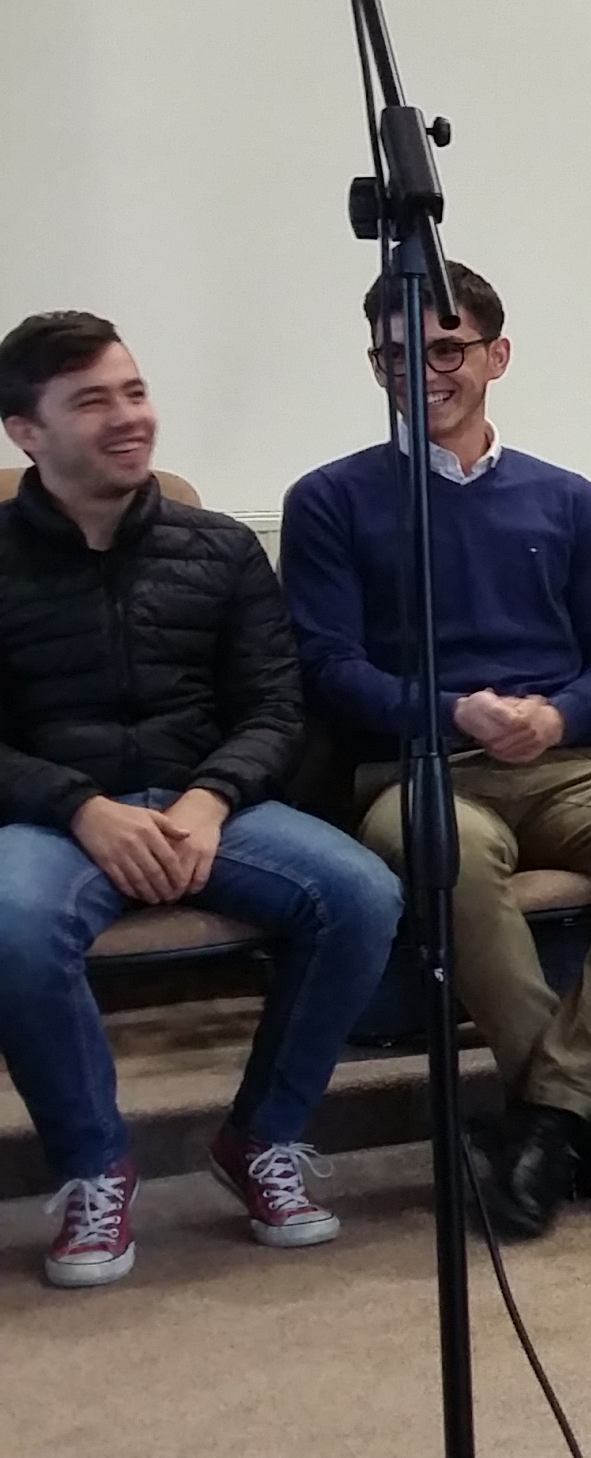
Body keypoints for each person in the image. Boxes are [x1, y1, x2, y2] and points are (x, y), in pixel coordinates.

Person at [282, 263, 591, 1239]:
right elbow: (330, 671)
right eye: (396, 356)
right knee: (446, 843)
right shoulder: (330, 500)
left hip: (566, 763)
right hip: (418, 768)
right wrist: (456, 712)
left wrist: (559, 719)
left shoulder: (566, 500)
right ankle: (578, 1104)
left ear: (498, 356)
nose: (423, 372)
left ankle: (549, 1111)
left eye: (447, 349)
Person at [0, 313, 403, 1288]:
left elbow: (275, 707)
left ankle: (263, 1136)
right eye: (92, 402)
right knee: (10, 922)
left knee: (361, 893)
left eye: (134, 392)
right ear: (26, 432)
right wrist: (83, 806)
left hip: (207, 801)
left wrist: (212, 798)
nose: (129, 418)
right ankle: (96, 1169)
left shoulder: (219, 548)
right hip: (55, 817)